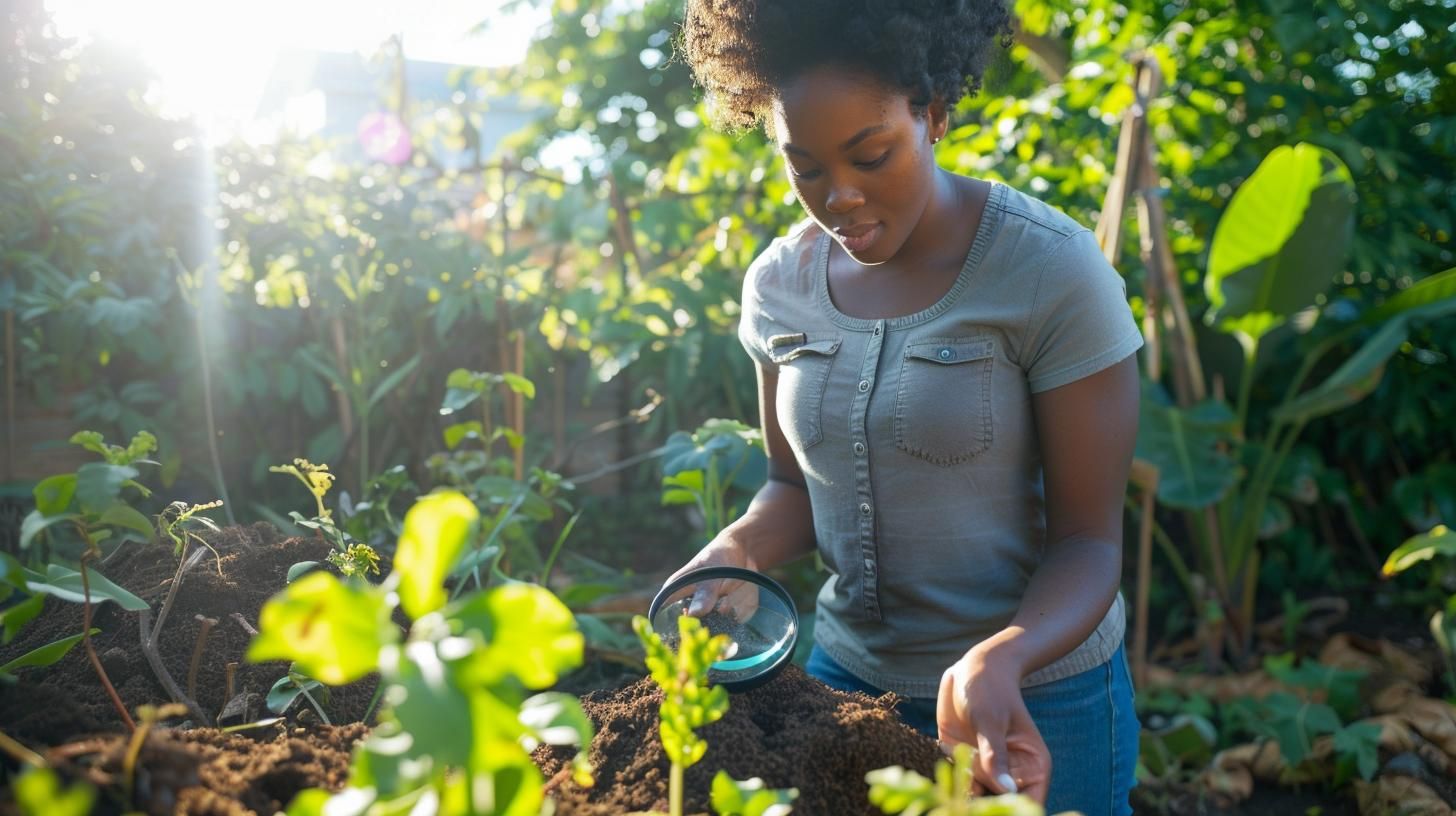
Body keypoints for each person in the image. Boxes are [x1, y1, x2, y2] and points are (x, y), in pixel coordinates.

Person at [665, 1, 1143, 813]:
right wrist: (735, 550)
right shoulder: (780, 286)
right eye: (806, 168)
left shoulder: (1051, 272)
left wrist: (1004, 660)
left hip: (1035, 699)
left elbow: (1089, 542)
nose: (840, 196)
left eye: (872, 154)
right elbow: (791, 490)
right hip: (849, 686)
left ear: (933, 113)